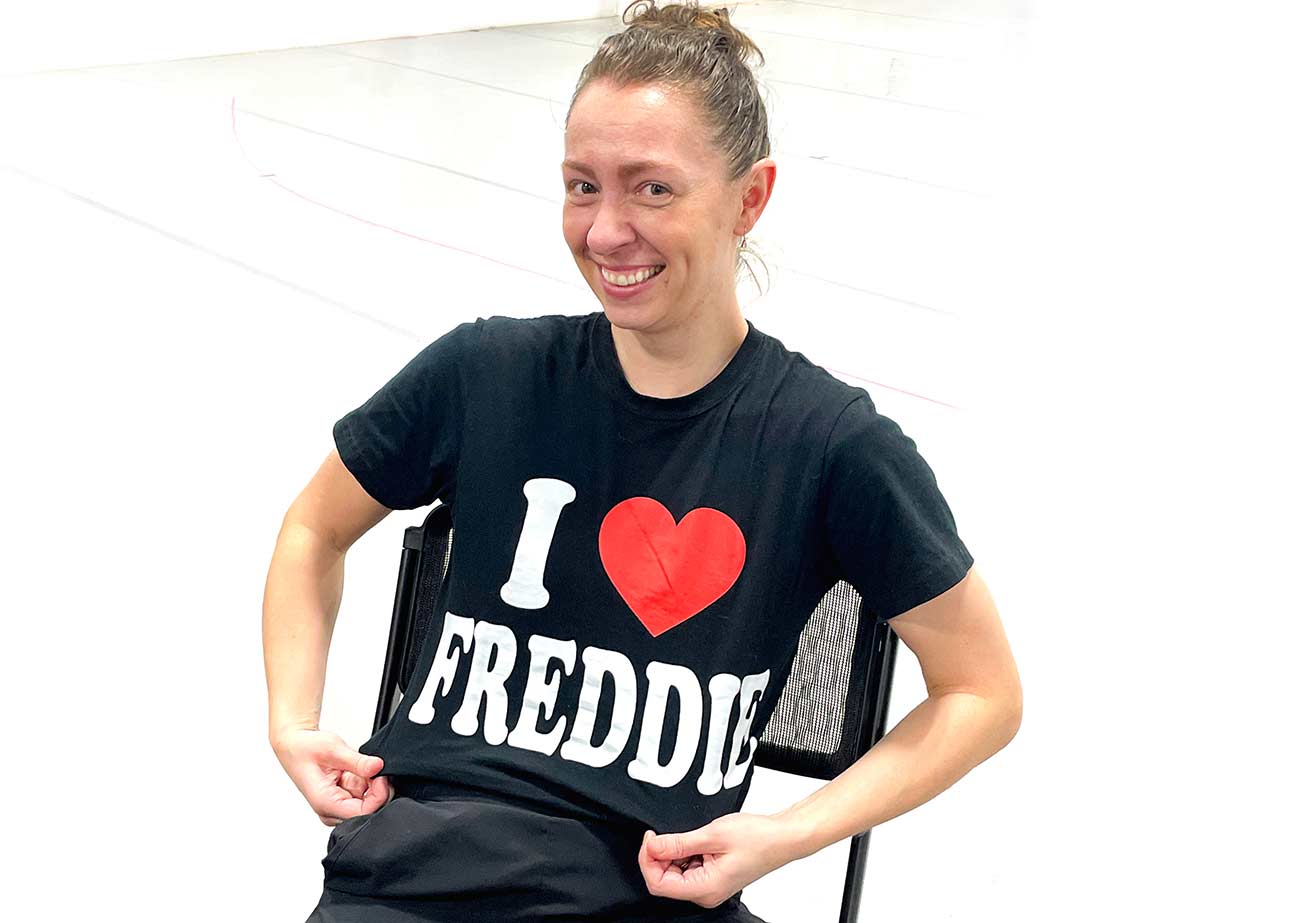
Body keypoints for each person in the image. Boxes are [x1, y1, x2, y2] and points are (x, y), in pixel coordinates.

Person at [262, 3, 1022, 921]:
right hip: (417, 878)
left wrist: (787, 832)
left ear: (750, 198)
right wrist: (292, 720)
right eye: (583, 185)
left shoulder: (829, 445)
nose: (606, 230)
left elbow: (983, 690)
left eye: (652, 189)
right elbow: (315, 525)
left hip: (647, 894)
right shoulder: (486, 374)